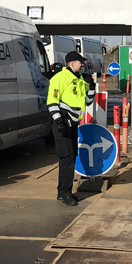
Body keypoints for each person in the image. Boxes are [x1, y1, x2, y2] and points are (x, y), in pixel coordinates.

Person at [47, 50, 96, 206]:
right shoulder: (60, 78)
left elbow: (88, 102)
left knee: (72, 155)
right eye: (80, 62)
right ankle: (65, 193)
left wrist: (92, 86)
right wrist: (59, 121)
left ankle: (62, 191)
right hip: (62, 121)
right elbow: (52, 101)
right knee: (67, 157)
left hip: (73, 122)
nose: (82, 64)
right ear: (72, 63)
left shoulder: (80, 79)